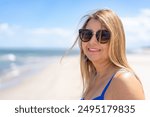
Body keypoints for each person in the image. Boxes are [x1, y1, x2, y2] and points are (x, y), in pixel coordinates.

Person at [72, 9, 145, 100]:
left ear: (116, 41)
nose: (92, 41)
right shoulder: (94, 77)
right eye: (87, 34)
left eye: (103, 35)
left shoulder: (124, 81)